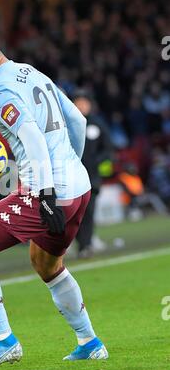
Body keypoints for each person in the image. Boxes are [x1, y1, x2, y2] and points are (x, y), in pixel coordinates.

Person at [0, 22, 108, 370]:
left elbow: (33, 137)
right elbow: (78, 121)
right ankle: (90, 342)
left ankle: (3, 340)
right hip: (78, 187)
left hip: (47, 191)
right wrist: (70, 174)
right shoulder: (30, 72)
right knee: (46, 263)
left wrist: (49, 191)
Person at [72, 89, 113, 258]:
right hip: (72, 178)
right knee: (74, 213)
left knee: (89, 212)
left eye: (84, 102)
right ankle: (77, 243)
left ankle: (86, 245)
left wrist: (98, 162)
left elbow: (108, 149)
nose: (81, 105)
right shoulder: (68, 124)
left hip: (92, 178)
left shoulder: (98, 124)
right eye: (78, 102)